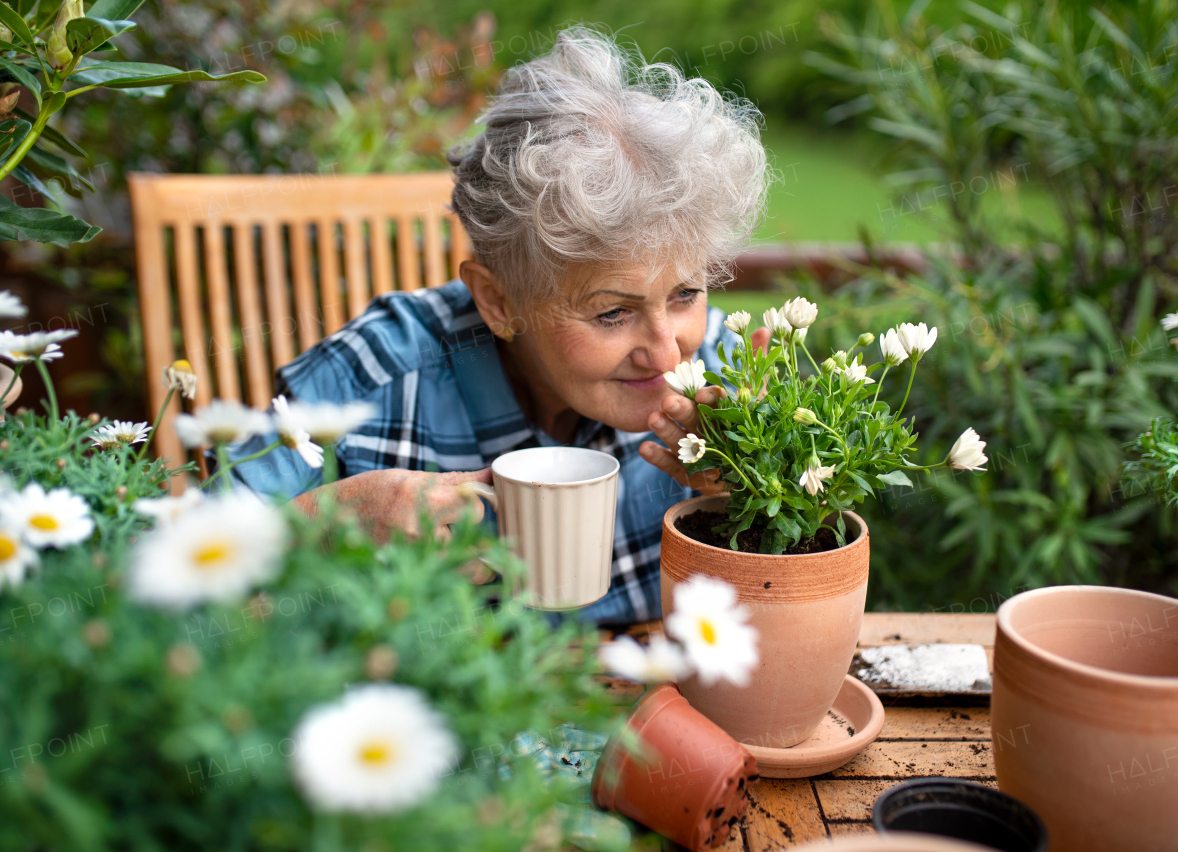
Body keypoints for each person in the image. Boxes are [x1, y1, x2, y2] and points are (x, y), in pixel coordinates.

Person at [223, 27, 772, 625]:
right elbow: (149, 592)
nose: (669, 355)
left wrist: (748, 493)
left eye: (686, 293)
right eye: (612, 312)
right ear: (497, 301)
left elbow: (780, 627)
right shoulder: (377, 377)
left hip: (649, 704)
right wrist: (327, 523)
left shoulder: (726, 378)